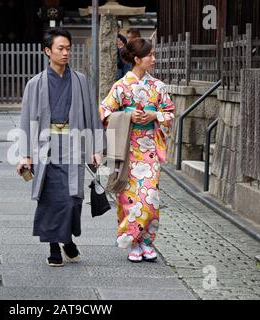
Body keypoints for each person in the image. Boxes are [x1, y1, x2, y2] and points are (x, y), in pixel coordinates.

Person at [17, 28, 103, 267]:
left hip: (74, 143)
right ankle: (55, 246)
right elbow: (26, 120)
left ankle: (66, 239)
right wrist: (25, 154)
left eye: (68, 48)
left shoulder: (80, 80)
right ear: (48, 51)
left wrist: (96, 148)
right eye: (60, 48)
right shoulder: (35, 84)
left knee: (73, 199)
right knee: (52, 198)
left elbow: (91, 115)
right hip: (46, 147)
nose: (66, 53)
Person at [100, 38, 175, 263]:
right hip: (128, 149)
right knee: (130, 199)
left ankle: (147, 241)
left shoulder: (158, 86)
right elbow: (104, 112)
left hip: (149, 148)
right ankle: (133, 242)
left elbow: (169, 113)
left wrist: (154, 115)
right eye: (149, 55)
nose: (153, 59)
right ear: (136, 59)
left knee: (150, 197)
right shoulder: (121, 86)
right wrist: (128, 116)